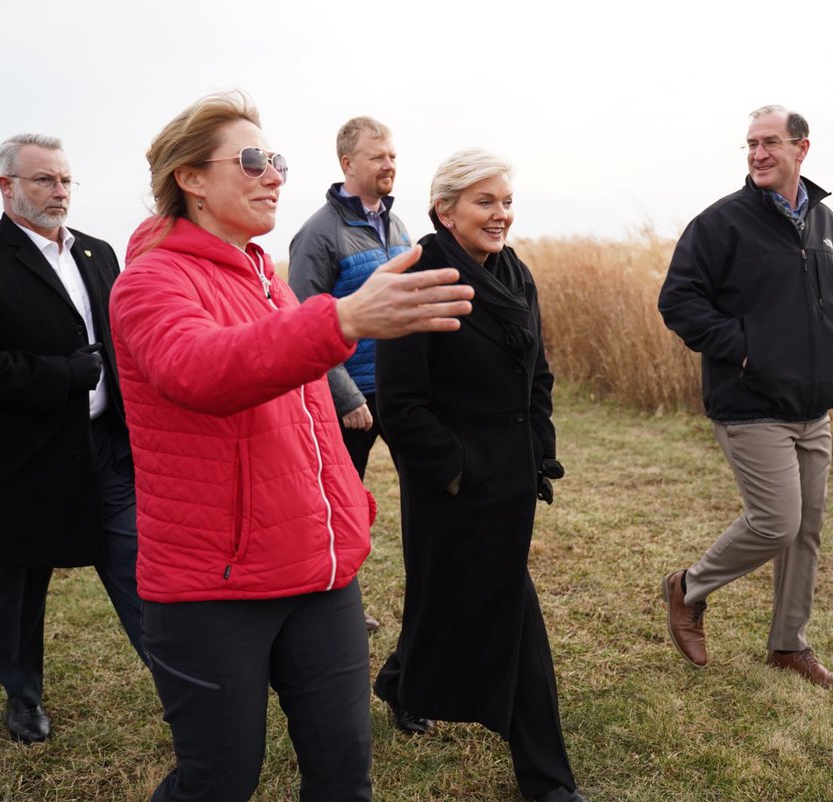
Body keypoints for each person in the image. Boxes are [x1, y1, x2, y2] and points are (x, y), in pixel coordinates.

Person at [108, 91, 472, 802]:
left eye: (275, 158)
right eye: (252, 159)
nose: (274, 173)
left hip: (318, 571)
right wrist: (338, 318)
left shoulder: (262, 276)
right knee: (218, 781)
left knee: (344, 777)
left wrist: (345, 505)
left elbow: (302, 417)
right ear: (190, 178)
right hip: (215, 584)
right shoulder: (150, 281)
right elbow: (201, 370)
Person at [372, 148, 588, 802]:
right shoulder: (418, 274)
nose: (501, 215)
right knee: (512, 609)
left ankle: (400, 679)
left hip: (513, 475)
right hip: (455, 486)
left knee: (446, 591)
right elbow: (401, 405)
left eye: (506, 202)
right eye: (485, 202)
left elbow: (538, 372)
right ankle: (546, 776)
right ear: (444, 209)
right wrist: (458, 472)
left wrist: (539, 448)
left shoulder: (514, 272)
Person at [0, 134, 145, 744]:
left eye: (66, 180)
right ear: (7, 186)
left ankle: (175, 674)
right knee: (20, 587)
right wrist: (64, 376)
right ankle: (22, 695)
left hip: (104, 449)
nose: (60, 192)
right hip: (21, 457)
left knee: (139, 566)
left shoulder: (99, 254)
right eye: (45, 180)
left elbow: (121, 341)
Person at [657, 105, 833, 690]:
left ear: (802, 149)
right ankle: (687, 588)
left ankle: (787, 645)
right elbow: (679, 302)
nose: (757, 154)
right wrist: (747, 350)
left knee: (807, 528)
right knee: (777, 522)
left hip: (813, 404)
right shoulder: (721, 224)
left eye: (770, 142)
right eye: (751, 144)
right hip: (750, 402)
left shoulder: (827, 225)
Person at [288, 116, 411, 635]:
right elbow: (302, 320)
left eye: (393, 156)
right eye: (378, 156)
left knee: (425, 499)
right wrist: (343, 394)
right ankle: (338, 608)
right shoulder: (318, 234)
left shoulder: (398, 225)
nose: (389, 164)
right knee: (340, 506)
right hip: (352, 400)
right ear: (348, 164)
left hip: (404, 393)